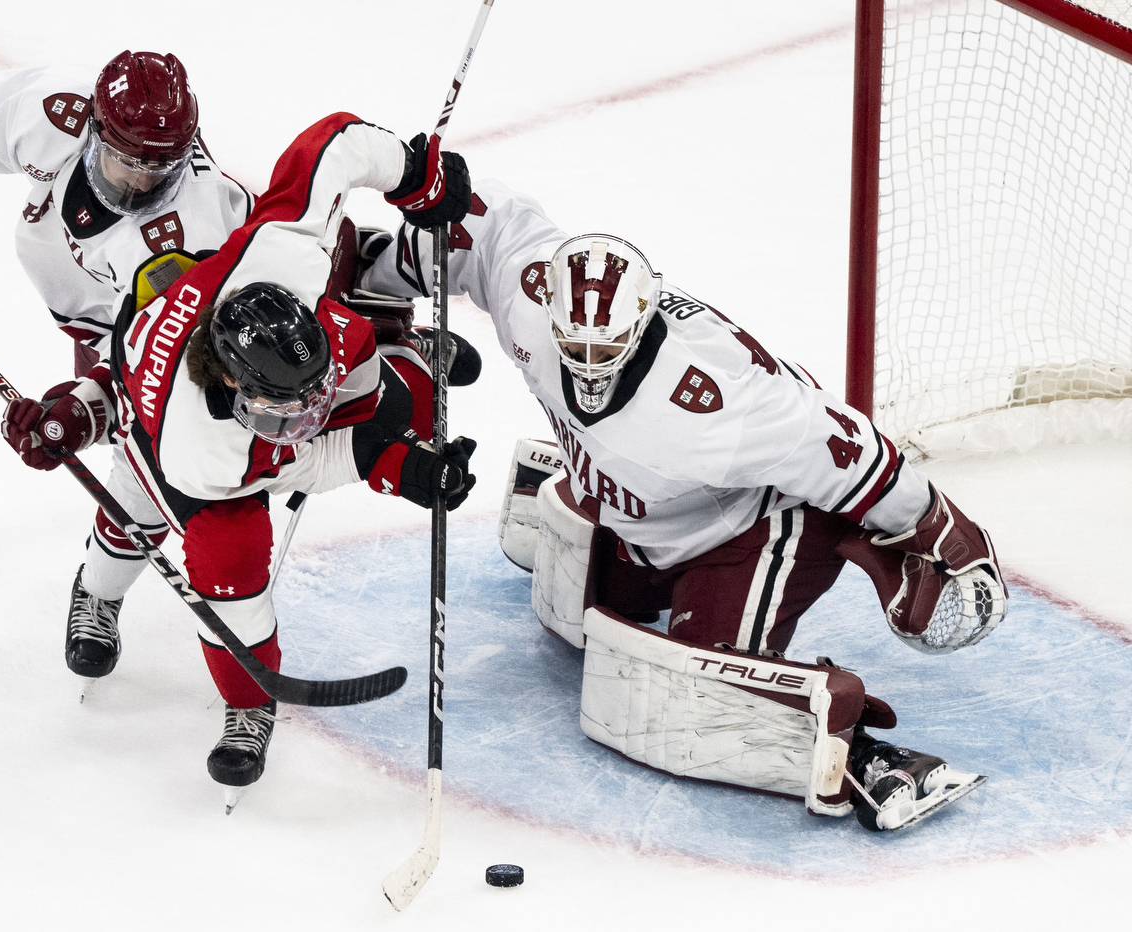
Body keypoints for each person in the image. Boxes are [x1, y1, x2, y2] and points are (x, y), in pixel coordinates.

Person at [361, 180, 1009, 832]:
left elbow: (841, 443)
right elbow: (477, 226)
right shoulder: (529, 298)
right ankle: (610, 524)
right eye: (575, 346)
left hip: (759, 523)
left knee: (693, 688)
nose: (589, 369)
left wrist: (934, 524)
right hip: (652, 516)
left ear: (643, 322)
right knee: (598, 619)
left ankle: (864, 755)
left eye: (607, 350)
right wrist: (378, 281)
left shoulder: (711, 405)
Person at [0, 113, 479, 795]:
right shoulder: (206, 450)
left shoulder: (284, 250)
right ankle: (230, 689)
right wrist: (401, 470)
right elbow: (313, 461)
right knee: (208, 551)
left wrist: (414, 172)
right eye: (283, 413)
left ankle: (395, 337)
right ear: (231, 384)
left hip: (231, 340)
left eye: (307, 402)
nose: (303, 422)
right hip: (157, 439)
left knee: (410, 404)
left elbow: (335, 143)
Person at [0, 51, 256, 679]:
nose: (142, 182)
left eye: (161, 168)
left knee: (146, 465)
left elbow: (163, 368)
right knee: (137, 455)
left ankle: (98, 591)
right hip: (92, 301)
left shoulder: (191, 230)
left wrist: (84, 411)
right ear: (95, 129)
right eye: (129, 162)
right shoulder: (54, 113)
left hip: (160, 330)